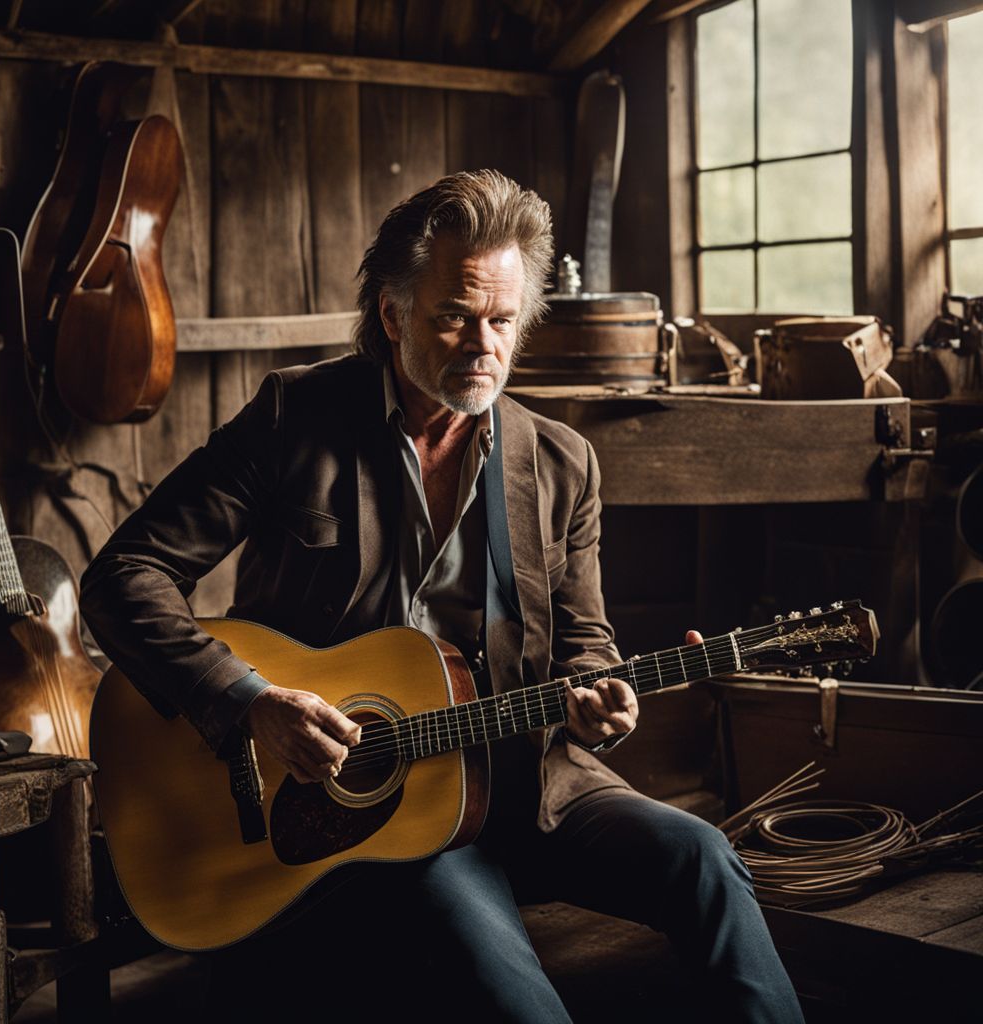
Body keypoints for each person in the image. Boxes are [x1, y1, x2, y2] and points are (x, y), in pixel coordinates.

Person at [80, 169, 804, 1023]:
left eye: (502, 321)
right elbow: (124, 578)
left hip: (535, 778)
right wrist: (250, 701)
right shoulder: (297, 418)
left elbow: (586, 640)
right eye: (455, 316)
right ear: (393, 315)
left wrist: (601, 697)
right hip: (367, 813)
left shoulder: (563, 462)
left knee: (705, 860)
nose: (482, 345)